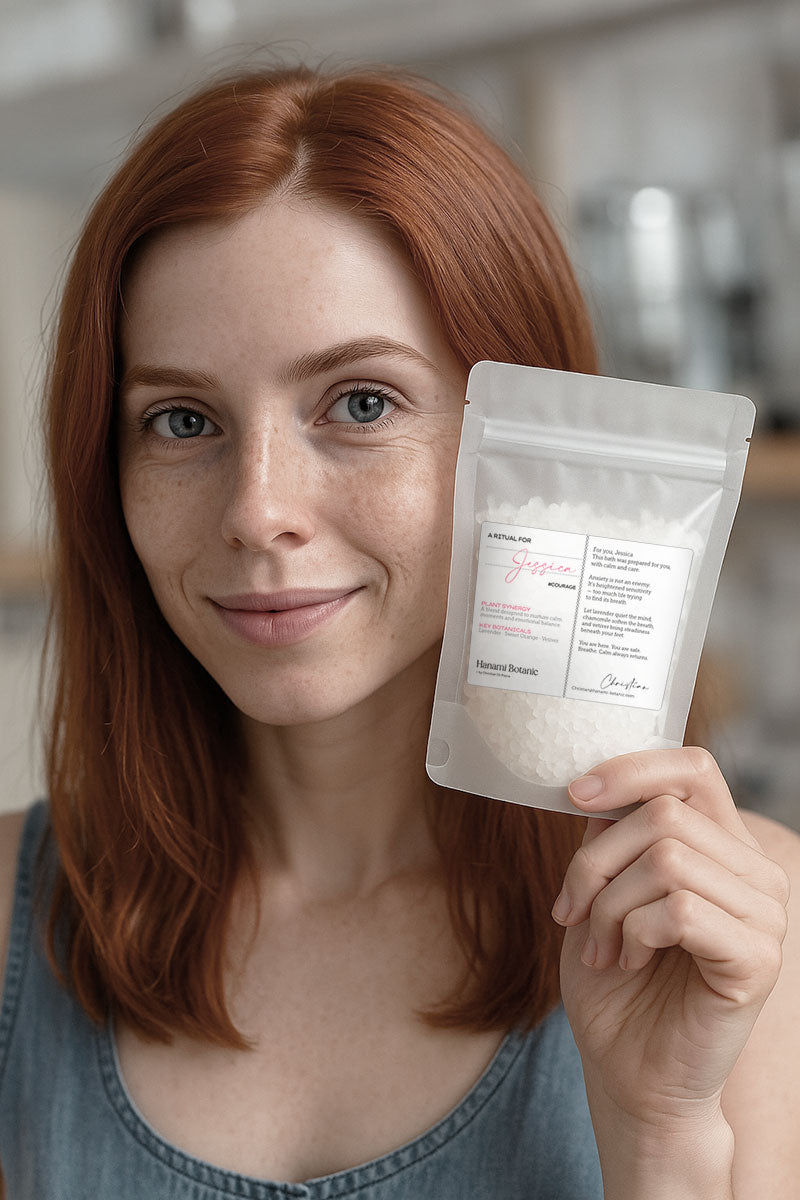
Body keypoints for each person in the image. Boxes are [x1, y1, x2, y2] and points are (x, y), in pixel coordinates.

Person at [0, 63, 798, 1200]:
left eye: (360, 404)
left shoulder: (742, 929)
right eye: (181, 420)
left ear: (520, 443)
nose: (256, 511)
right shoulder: (10, 923)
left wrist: (662, 1131)